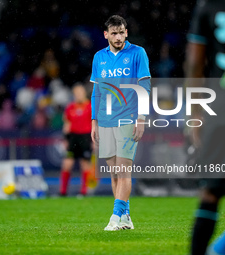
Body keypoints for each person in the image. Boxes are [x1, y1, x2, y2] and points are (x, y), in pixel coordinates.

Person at [186, 0, 225, 254]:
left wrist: (195, 114)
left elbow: (195, 63)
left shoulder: (209, 5)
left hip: (223, 104)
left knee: (211, 192)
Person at [90, 15, 151, 231]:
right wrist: (94, 121)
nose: (118, 36)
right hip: (105, 121)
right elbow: (96, 92)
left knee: (124, 170)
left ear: (126, 32)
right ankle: (126, 217)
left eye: (121, 32)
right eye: (114, 33)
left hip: (128, 118)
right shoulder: (99, 57)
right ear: (106, 35)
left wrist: (141, 118)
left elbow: (145, 87)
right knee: (114, 173)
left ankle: (114, 218)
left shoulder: (138, 53)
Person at [59, 83, 92, 196]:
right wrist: (66, 139)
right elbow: (66, 124)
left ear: (84, 93)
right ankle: (63, 191)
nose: (78, 95)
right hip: (73, 138)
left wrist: (94, 141)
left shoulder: (90, 106)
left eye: (80, 93)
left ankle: (83, 191)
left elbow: (94, 124)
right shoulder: (70, 107)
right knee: (67, 164)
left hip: (86, 137)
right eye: (76, 93)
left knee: (84, 164)